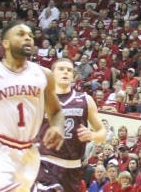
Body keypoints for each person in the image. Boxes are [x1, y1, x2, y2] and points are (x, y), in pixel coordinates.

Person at [0, 21, 65, 192]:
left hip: (28, 152)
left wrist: (58, 127)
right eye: (21, 34)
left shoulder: (44, 75)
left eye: (30, 35)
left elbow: (56, 111)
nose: (28, 37)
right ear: (5, 43)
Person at [36, 58, 108, 192]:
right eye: (61, 69)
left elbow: (102, 134)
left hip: (72, 167)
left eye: (69, 70)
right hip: (46, 161)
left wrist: (91, 135)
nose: (66, 72)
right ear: (52, 75)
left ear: (73, 76)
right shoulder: (41, 99)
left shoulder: (85, 100)